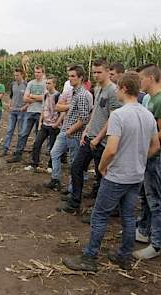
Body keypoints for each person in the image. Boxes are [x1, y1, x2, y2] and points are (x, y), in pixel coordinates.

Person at [61, 72, 160, 272]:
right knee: (129, 216)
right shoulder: (147, 114)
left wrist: (102, 166)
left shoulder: (119, 115)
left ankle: (89, 257)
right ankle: (124, 255)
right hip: (136, 176)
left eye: (117, 88)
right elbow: (156, 146)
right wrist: (139, 160)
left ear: (123, 88)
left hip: (117, 176)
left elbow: (112, 148)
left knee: (99, 215)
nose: (116, 91)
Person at [60, 59, 121, 218]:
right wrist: (87, 132)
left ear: (108, 72)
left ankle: (100, 212)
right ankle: (75, 202)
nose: (96, 75)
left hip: (103, 141)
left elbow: (112, 118)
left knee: (101, 177)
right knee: (76, 167)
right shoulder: (98, 88)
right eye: (94, 72)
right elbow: (94, 113)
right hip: (90, 138)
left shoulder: (113, 91)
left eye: (99, 72)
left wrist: (98, 138)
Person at [43, 65, 91, 191]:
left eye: (73, 76)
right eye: (69, 76)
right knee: (54, 153)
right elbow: (58, 107)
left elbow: (84, 118)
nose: (70, 78)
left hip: (74, 134)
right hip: (66, 130)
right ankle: (56, 179)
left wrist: (70, 131)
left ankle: (72, 189)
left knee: (73, 163)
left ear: (81, 78)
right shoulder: (73, 92)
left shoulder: (82, 95)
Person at [133, 64, 161, 260]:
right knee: (147, 197)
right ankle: (144, 231)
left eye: (141, 78)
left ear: (150, 77)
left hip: (155, 157)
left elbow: (159, 136)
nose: (139, 82)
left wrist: (145, 154)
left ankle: (157, 244)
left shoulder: (159, 100)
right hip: (149, 155)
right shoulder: (150, 99)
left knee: (156, 202)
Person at [7, 65, 46, 163]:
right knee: (23, 133)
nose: (36, 74)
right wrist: (38, 97)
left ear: (43, 73)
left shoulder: (46, 83)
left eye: (39, 72)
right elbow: (25, 98)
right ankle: (18, 154)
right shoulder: (31, 83)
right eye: (35, 72)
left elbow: (45, 98)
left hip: (40, 112)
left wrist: (32, 96)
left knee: (38, 136)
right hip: (29, 111)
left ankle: (35, 158)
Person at [24, 75, 64, 172]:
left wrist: (57, 123)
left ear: (54, 84)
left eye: (49, 83)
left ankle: (51, 166)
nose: (47, 85)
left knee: (52, 147)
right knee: (37, 143)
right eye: (46, 83)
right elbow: (43, 108)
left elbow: (63, 112)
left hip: (54, 126)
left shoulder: (59, 96)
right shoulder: (45, 95)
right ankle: (34, 164)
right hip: (45, 124)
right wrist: (40, 122)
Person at [0, 68, 27, 157]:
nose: (16, 77)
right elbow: (11, 96)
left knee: (20, 132)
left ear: (22, 75)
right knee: (9, 130)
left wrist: (25, 107)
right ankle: (5, 149)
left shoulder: (26, 85)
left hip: (21, 112)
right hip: (13, 111)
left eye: (17, 75)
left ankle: (18, 151)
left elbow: (28, 99)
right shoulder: (13, 84)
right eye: (15, 75)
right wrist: (9, 105)